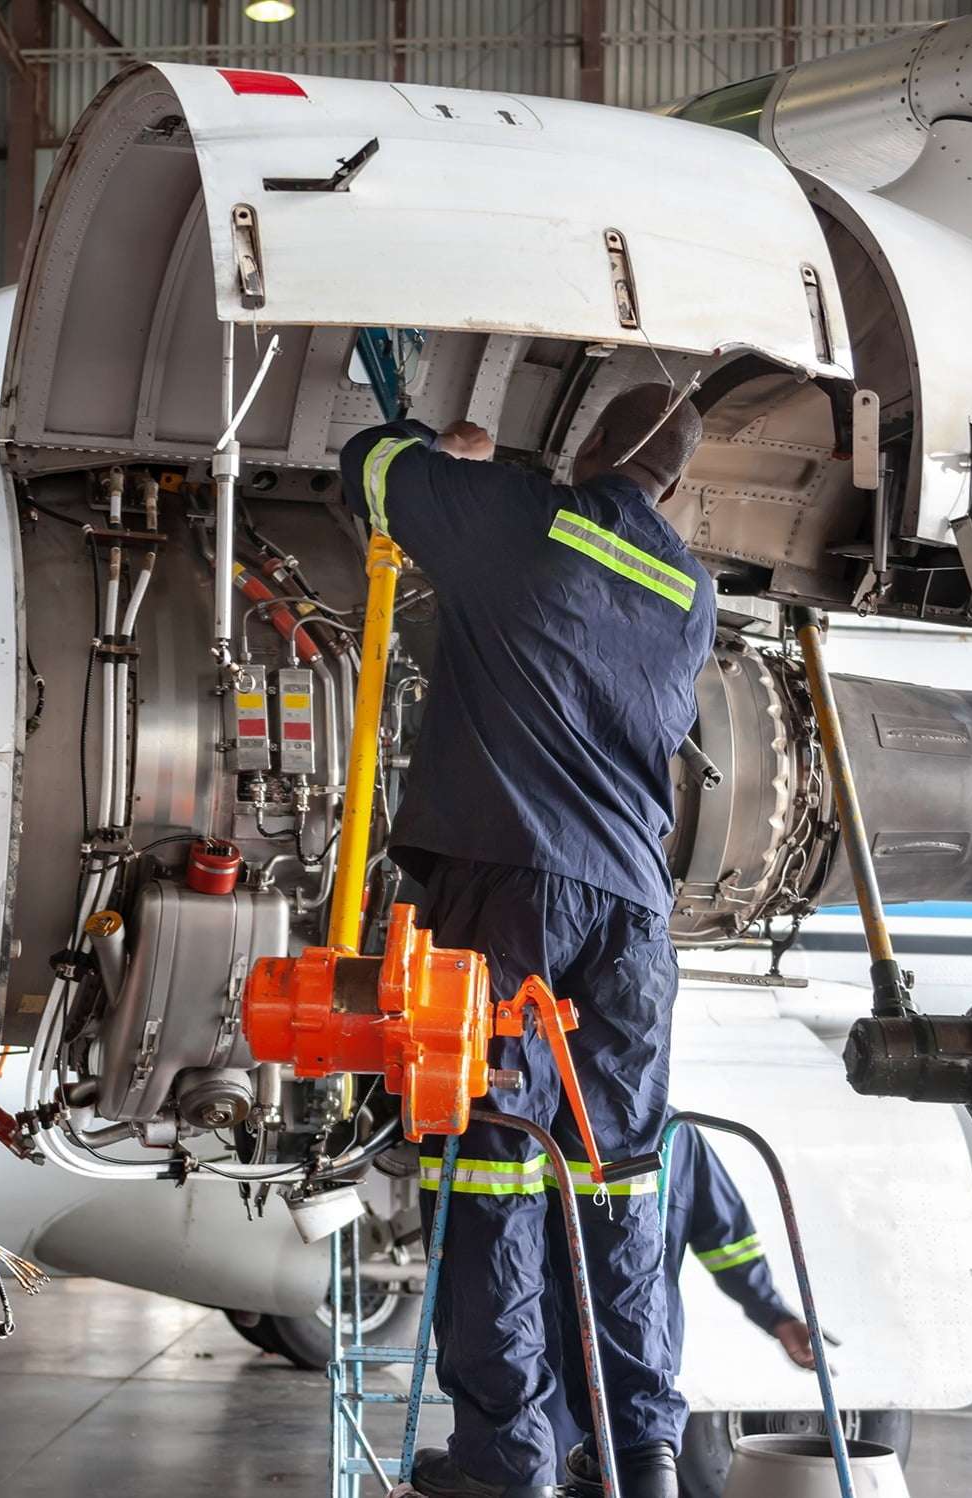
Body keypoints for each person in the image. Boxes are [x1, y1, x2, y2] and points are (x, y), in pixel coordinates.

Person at [338, 385, 715, 1498]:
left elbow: (365, 466)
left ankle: (508, 1460)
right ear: (677, 488)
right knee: (621, 1184)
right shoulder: (689, 592)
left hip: (513, 891)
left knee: (494, 1156)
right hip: (634, 919)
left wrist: (442, 455)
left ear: (585, 445)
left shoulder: (516, 518)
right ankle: (638, 1450)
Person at [540, 1120, 818, 1483]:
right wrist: (773, 1311)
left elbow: (727, 1238)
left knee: (568, 1462)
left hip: (554, 1338)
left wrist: (775, 1313)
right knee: (630, 1459)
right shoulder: (675, 1132)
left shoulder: (547, 1119)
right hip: (642, 1339)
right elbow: (727, 1236)